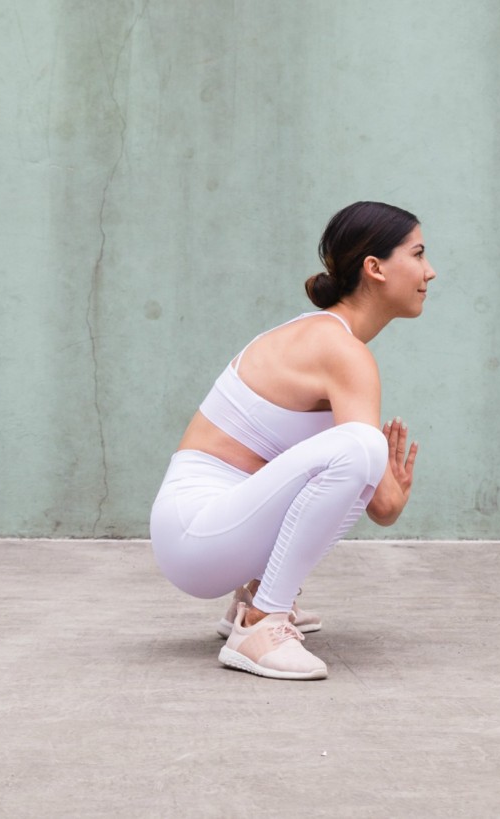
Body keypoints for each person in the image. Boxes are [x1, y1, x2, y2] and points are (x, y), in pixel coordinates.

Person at [150, 201, 436, 680]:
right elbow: (383, 505)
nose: (430, 271)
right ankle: (261, 625)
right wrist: (392, 485)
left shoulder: (319, 335)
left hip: (206, 535)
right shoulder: (340, 350)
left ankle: (256, 596)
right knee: (360, 448)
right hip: (196, 533)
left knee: (348, 454)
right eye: (418, 254)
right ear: (375, 268)